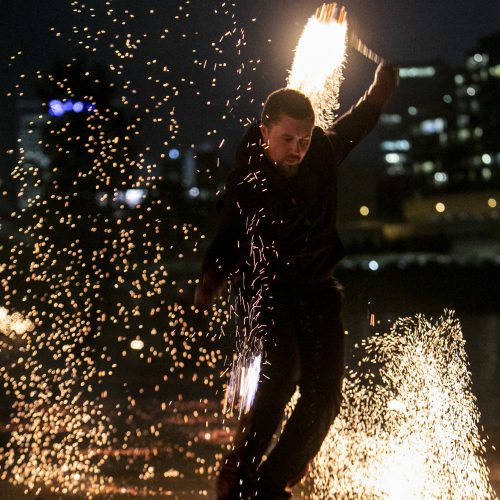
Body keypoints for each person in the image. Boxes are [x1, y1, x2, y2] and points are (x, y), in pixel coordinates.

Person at [195, 63, 398, 499]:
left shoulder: (320, 150)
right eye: (287, 139)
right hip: (265, 291)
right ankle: (239, 472)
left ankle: (273, 484)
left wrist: (380, 92)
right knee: (280, 379)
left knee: (325, 396)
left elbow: (356, 125)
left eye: (304, 140)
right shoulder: (246, 182)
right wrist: (210, 280)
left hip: (318, 288)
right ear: (266, 131)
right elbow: (228, 237)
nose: (297, 149)